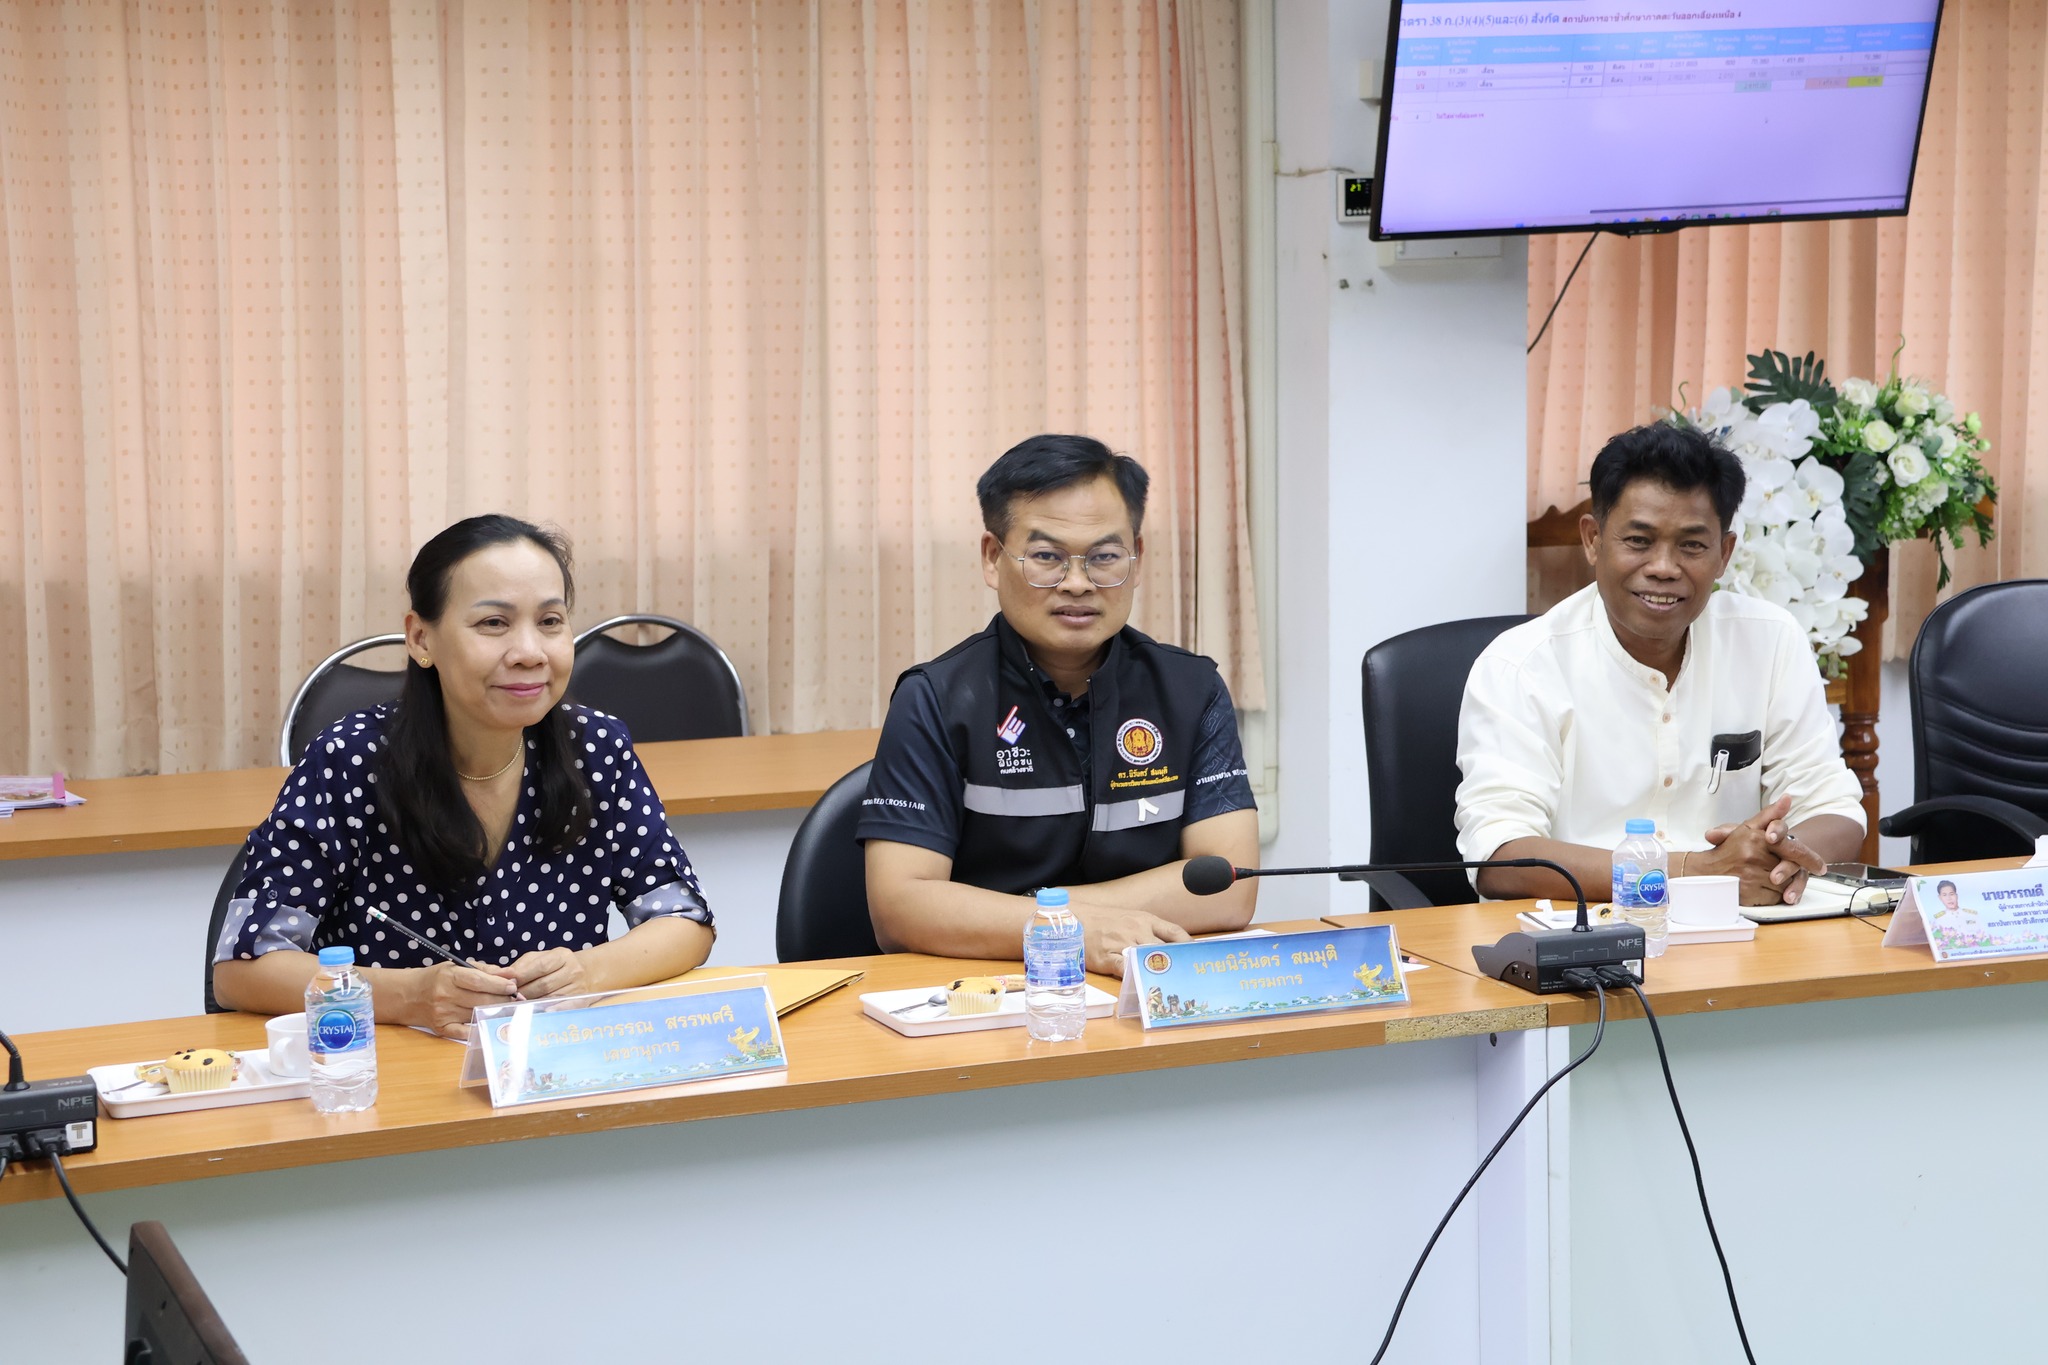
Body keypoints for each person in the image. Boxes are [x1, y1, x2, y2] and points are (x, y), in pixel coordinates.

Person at [212, 515, 715, 1034]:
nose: (529, 653)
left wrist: (588, 972)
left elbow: (684, 919)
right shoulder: (349, 760)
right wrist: (408, 997)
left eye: (550, 621)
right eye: (493, 624)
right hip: (389, 1066)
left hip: (551, 1063)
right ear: (420, 638)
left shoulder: (596, 749)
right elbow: (243, 970)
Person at [859, 434, 1259, 976]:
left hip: (1146, 981)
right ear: (992, 558)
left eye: (1104, 557)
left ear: (1137, 560)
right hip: (988, 988)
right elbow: (899, 907)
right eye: (1047, 557)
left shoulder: (1191, 689)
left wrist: (1053, 916)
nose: (1077, 583)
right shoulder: (936, 697)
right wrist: (1072, 930)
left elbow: (1229, 886)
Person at [1455, 423, 1866, 907]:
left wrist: (1781, 854)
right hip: (1583, 933)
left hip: (1741, 930)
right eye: (1638, 540)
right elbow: (1501, 856)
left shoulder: (1770, 640)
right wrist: (1695, 872)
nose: (1664, 568)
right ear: (1593, 539)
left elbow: (1836, 810)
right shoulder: (1520, 666)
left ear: (1724, 554)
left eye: (1692, 545)